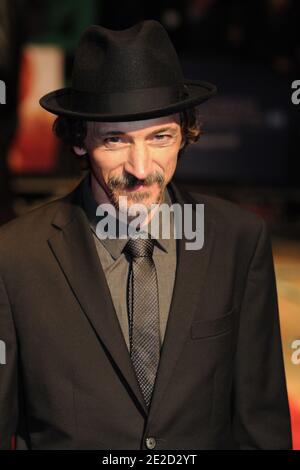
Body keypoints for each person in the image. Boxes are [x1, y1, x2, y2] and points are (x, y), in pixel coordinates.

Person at [0, 20, 292, 450]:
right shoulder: (15, 257)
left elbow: (260, 424)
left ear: (186, 134)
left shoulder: (238, 241)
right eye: (116, 140)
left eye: (160, 137)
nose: (141, 168)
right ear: (80, 141)